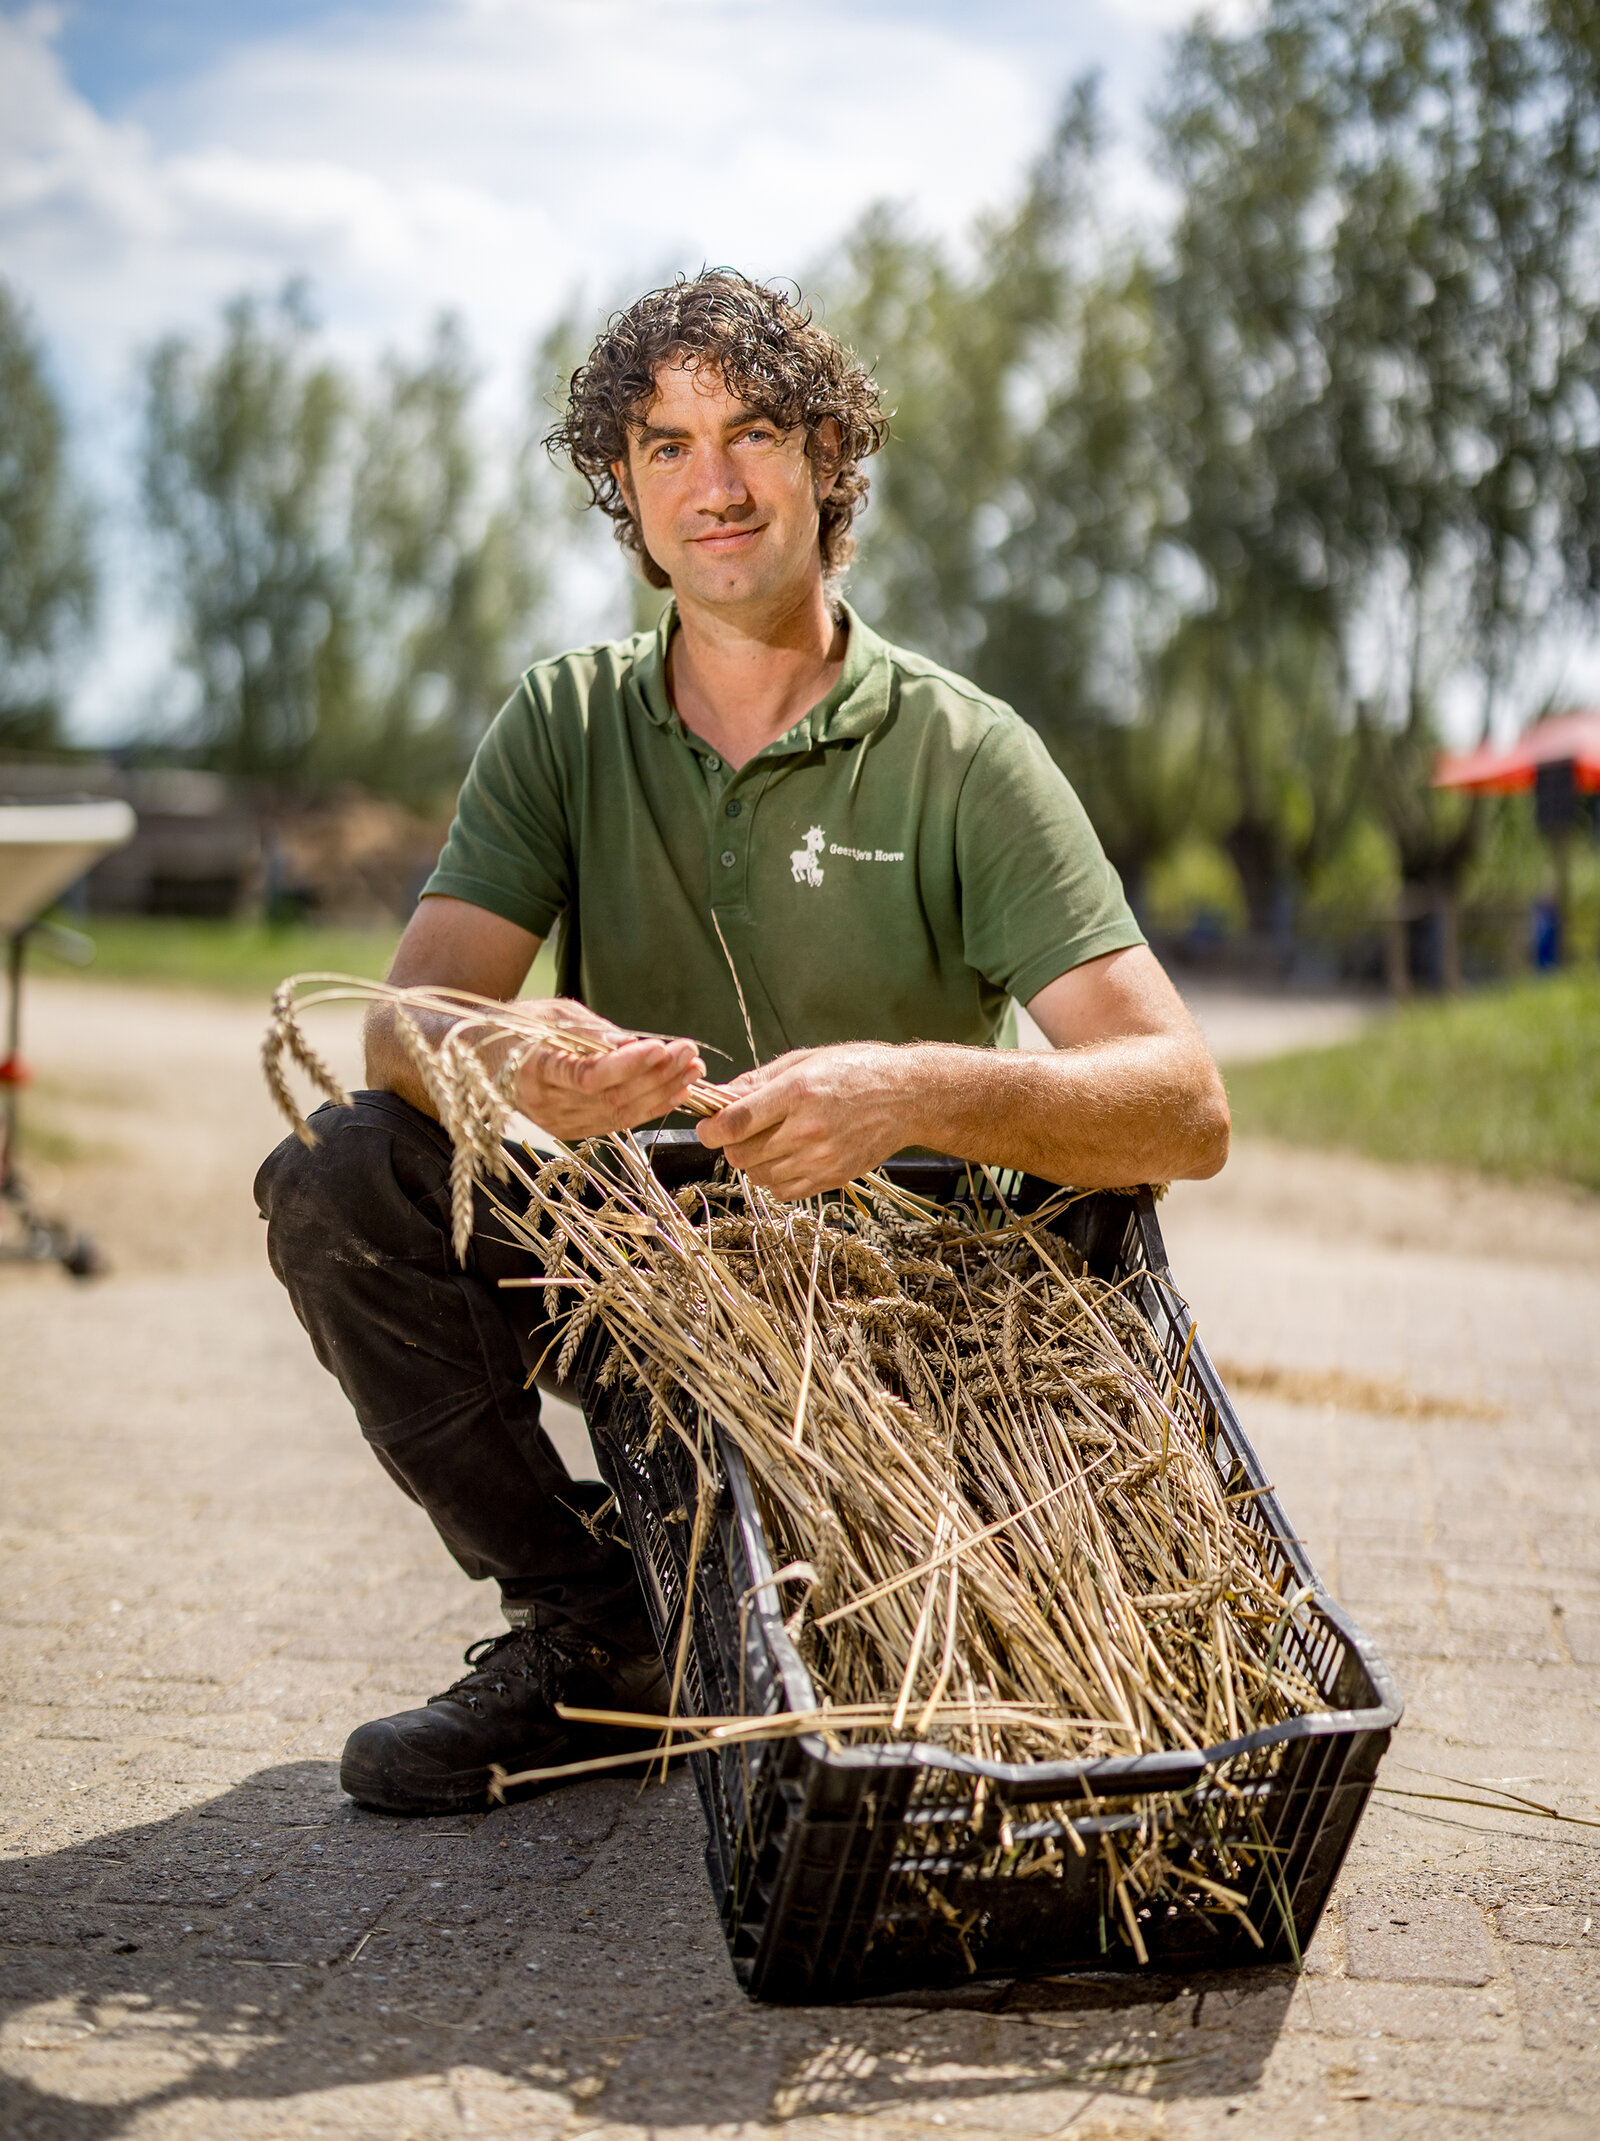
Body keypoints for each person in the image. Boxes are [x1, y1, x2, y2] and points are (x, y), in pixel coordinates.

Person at [256, 271, 1230, 1817]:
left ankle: (785, 1600)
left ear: (829, 455)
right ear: (627, 489)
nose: (712, 482)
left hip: (900, 1325)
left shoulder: (966, 754)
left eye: (753, 433)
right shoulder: (566, 722)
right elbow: (402, 1021)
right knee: (341, 1173)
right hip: (645, 1274)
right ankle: (598, 1632)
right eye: (666, 446)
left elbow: (1181, 1106)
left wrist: (905, 1088)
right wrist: (511, 1062)